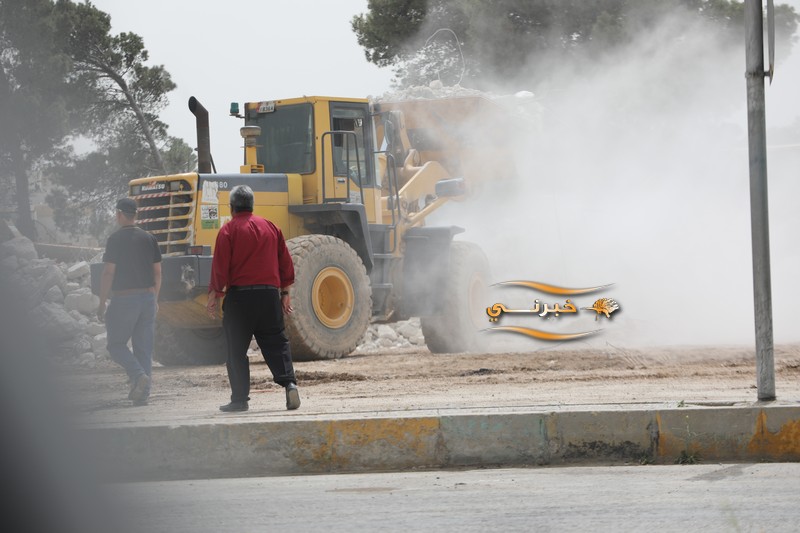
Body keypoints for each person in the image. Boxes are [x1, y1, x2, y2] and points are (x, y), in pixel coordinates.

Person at [206, 184, 300, 412]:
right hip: (269, 295)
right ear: (252, 205)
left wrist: (215, 296)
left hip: (240, 299)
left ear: (231, 207)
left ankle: (239, 400)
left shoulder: (228, 231)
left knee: (236, 349)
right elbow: (285, 263)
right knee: (277, 342)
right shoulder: (271, 227)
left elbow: (220, 267)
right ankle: (289, 383)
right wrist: (285, 293)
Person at [97, 198, 162, 406]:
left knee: (116, 345)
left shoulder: (115, 239)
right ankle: (142, 394)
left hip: (124, 299)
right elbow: (158, 272)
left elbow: (108, 272)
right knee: (143, 348)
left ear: (119, 214)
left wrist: (101, 302)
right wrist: (155, 298)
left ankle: (137, 375)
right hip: (148, 298)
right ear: (136, 214)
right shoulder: (149, 238)